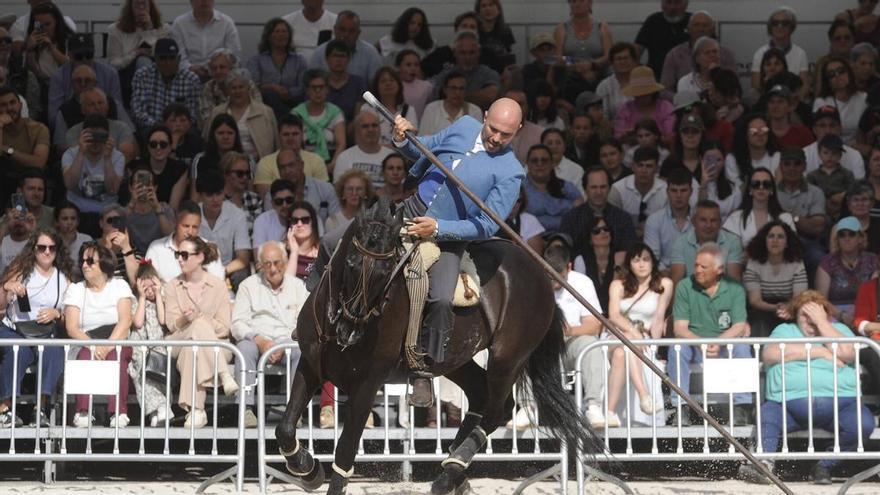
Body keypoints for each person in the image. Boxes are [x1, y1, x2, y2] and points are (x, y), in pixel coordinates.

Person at [738, 290, 874, 486]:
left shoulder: (839, 330)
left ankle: (825, 465)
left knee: (863, 424)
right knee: (767, 416)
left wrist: (822, 323)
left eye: (816, 314)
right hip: (787, 405)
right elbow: (770, 354)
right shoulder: (785, 330)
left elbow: (848, 353)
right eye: (805, 315)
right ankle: (763, 465)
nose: (810, 320)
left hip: (841, 404)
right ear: (795, 315)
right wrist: (820, 351)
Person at [668, 242, 752, 425]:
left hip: (724, 345)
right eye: (696, 265)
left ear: (719, 269)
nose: (697, 270)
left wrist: (718, 342)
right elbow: (679, 328)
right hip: (694, 346)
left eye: (703, 267)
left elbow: (739, 325)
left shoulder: (735, 288)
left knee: (743, 347)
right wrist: (702, 344)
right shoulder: (684, 286)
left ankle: (741, 408)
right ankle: (680, 407)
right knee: (676, 347)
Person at [164, 236, 238, 428]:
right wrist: (187, 319)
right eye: (177, 254)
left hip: (216, 345)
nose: (180, 259)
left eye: (184, 255)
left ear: (200, 257)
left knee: (194, 349)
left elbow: (224, 327)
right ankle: (224, 374)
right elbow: (171, 325)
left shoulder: (218, 285)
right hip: (179, 341)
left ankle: (197, 410)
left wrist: (200, 319)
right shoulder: (172, 285)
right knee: (195, 327)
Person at [0, 228, 71, 427]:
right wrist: (6, 288)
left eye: (51, 248)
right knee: (18, 351)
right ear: (34, 249)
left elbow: (71, 315)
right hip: (14, 328)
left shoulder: (63, 277)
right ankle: (5, 408)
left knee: (54, 351)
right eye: (42, 247)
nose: (47, 252)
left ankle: (40, 408)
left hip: (45, 331)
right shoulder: (21, 270)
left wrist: (57, 313)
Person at [233, 240, 308, 427]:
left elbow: (304, 323)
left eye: (277, 263)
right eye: (267, 264)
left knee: (299, 351)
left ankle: (294, 411)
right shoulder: (248, 286)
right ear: (260, 265)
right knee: (244, 349)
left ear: (285, 261)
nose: (273, 268)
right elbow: (237, 323)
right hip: (257, 338)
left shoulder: (299, 287)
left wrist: (283, 344)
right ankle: (246, 409)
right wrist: (259, 340)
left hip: (288, 339)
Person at [64, 242, 134, 428]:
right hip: (85, 339)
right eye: (83, 261)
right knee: (85, 356)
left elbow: (125, 321)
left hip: (115, 337)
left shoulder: (119, 285)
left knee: (116, 356)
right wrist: (95, 346)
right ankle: (83, 411)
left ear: (104, 263)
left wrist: (108, 345)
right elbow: (72, 328)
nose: (84, 265)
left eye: (90, 261)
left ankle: (118, 412)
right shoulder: (76, 289)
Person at [606, 244, 672, 425]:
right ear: (630, 264)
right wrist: (634, 334)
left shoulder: (664, 284)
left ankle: (610, 412)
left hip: (644, 338)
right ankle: (644, 395)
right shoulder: (617, 284)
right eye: (636, 260)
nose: (641, 264)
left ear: (653, 262)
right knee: (626, 345)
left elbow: (659, 318)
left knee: (622, 354)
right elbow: (614, 316)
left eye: (645, 259)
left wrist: (657, 348)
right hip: (618, 334)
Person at [60, 114, 125, 237]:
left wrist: (107, 158)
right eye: (91, 137)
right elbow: (69, 184)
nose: (95, 142)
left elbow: (112, 190)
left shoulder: (117, 157)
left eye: (100, 137)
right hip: (77, 212)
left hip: (106, 212)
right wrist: (81, 152)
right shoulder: (71, 154)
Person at [46, 33, 124, 130]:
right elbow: (53, 118)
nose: (84, 60)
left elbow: (118, 111)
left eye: (89, 55)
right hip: (70, 125)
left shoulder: (110, 74)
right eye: (78, 56)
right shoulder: (58, 77)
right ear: (69, 55)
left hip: (106, 126)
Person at [743, 221, 807, 338]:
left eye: (780, 237)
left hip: (790, 305)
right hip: (762, 307)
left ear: (787, 242)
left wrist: (789, 308)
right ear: (765, 240)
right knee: (759, 320)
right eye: (771, 236)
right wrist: (776, 308)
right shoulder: (754, 263)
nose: (775, 240)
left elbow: (800, 297)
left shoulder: (797, 263)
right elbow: (755, 300)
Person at [561, 166, 636, 264]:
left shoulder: (623, 218)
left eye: (603, 187)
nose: (599, 192)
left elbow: (629, 252)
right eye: (594, 187)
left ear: (609, 188)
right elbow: (565, 254)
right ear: (585, 189)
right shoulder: (570, 219)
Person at [204, 68, 278, 162]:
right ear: (228, 91)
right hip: (221, 164)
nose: (237, 91)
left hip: (259, 165)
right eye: (233, 88)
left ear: (248, 89)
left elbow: (277, 144)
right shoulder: (217, 112)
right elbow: (208, 140)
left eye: (241, 87)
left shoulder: (265, 112)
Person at [128, 260, 169, 427]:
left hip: (157, 346)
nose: (150, 291)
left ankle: (161, 408)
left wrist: (158, 295)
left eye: (153, 287)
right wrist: (142, 297)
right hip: (139, 347)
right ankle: (156, 411)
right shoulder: (136, 302)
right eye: (146, 288)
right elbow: (137, 323)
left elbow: (162, 319)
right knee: (140, 374)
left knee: (157, 372)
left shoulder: (162, 299)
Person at [816, 216, 878, 327]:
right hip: (834, 315)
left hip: (867, 312)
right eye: (842, 235)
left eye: (851, 234)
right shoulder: (827, 262)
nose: (847, 238)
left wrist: (859, 314)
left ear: (860, 238)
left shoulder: (872, 260)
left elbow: (875, 293)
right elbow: (821, 299)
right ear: (837, 239)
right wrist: (842, 316)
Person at [144, 200, 225, 282]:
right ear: (175, 222)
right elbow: (148, 282)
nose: (190, 232)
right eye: (186, 226)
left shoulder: (209, 248)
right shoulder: (156, 249)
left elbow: (218, 282)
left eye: (195, 227)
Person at [131, 38, 201, 131]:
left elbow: (193, 115)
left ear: (179, 59)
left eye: (172, 58)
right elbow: (137, 112)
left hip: (182, 130)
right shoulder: (142, 76)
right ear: (155, 59)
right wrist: (159, 127)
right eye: (162, 58)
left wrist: (177, 127)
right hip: (151, 129)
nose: (168, 63)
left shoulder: (191, 79)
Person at [106, 0, 169, 103]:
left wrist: (149, 30)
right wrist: (135, 53)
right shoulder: (115, 30)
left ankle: (148, 101)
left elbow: (161, 56)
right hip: (126, 77)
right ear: (130, 7)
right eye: (137, 4)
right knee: (142, 60)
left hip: (156, 76)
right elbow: (113, 64)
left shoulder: (163, 29)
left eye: (144, 3)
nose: (141, 8)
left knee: (144, 60)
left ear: (150, 7)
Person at [253, 114, 328, 199]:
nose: (290, 138)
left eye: (295, 134)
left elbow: (323, 194)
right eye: (286, 134)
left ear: (302, 135)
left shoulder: (317, 160)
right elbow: (268, 199)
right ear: (278, 136)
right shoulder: (265, 163)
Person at [196, 172, 250, 289]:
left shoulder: (237, 215)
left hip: (227, 270)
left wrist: (220, 273)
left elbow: (243, 259)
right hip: (197, 269)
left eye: (219, 194)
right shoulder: (193, 214)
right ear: (200, 196)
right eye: (210, 195)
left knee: (242, 274)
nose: (215, 199)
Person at [660, 10, 736, 92]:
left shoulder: (726, 54)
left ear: (713, 29)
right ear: (688, 29)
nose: (701, 29)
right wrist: (683, 99)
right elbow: (665, 90)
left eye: (705, 25)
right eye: (696, 25)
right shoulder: (674, 55)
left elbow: (735, 87)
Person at [551, 0, 611, 102]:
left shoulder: (602, 27)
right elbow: (557, 58)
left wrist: (591, 65)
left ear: (590, 3)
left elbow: (609, 56)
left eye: (581, 0)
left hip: (598, 76)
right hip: (569, 79)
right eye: (573, 1)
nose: (577, 4)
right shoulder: (561, 29)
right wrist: (578, 66)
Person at [0, 86, 49, 211]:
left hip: (27, 180)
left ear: (20, 105)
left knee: (23, 186)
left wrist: (8, 150)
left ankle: (21, 217)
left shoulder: (38, 129)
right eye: (3, 105)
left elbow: (39, 163)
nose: (10, 108)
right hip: (4, 179)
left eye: (12, 103)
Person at [669, 200, 743, 283]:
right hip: (690, 294)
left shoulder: (733, 241)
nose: (708, 225)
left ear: (720, 223)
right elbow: (676, 281)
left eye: (713, 220)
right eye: (703, 220)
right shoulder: (680, 243)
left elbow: (734, 281)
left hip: (724, 294)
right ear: (693, 222)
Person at [58, 87, 137, 163]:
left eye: (100, 103)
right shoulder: (73, 132)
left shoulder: (121, 128)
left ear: (107, 106)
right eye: (92, 104)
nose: (97, 107)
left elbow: (126, 155)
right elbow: (75, 158)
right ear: (83, 110)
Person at [247, 18, 307, 118]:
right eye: (277, 31)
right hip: (265, 106)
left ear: (289, 36)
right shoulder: (256, 60)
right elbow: (253, 86)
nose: (281, 35)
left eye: (284, 31)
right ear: (269, 36)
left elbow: (303, 87)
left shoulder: (299, 60)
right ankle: (288, 118)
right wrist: (273, 87)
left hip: (293, 102)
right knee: (270, 95)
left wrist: (288, 93)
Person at [723, 167, 795, 250]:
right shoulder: (735, 218)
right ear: (750, 189)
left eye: (766, 184)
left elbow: (792, 248)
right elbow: (728, 251)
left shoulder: (785, 218)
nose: (761, 187)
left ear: (772, 189)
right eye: (756, 184)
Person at [23, 2, 73, 120]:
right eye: (39, 25)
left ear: (57, 22)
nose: (44, 29)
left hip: (63, 88)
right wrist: (29, 50)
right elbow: (32, 72)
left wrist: (52, 48)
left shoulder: (68, 40)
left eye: (48, 24)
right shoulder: (32, 40)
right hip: (40, 90)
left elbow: (71, 65)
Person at [170, 0, 241, 81]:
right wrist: (190, 68)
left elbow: (234, 56)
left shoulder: (227, 23)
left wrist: (214, 69)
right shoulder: (179, 24)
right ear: (191, 1)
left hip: (220, 76)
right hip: (188, 77)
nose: (204, 1)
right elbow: (178, 57)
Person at [291, 69, 345, 174]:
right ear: (307, 90)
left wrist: (332, 165)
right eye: (314, 88)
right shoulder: (297, 113)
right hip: (303, 164)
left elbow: (341, 144)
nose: (318, 91)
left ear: (327, 90)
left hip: (331, 163)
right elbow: (292, 144)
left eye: (321, 87)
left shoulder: (335, 112)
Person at [750, 7, 810, 98]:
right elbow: (756, 87)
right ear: (770, 27)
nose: (780, 26)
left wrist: (789, 104)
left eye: (785, 23)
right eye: (775, 23)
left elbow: (804, 88)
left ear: (792, 27)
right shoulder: (759, 53)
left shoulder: (800, 53)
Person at [308, 10, 382, 83]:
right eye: (342, 30)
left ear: (358, 33)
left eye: (351, 31)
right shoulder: (319, 53)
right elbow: (310, 84)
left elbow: (376, 86)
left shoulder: (371, 53)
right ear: (335, 30)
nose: (346, 35)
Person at [609, 147, 667, 236]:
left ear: (656, 168)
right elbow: (613, 224)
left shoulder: (666, 190)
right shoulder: (618, 189)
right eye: (640, 165)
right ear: (633, 167)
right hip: (624, 238)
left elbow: (668, 226)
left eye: (649, 166)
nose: (644, 171)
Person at [269, 149, 338, 225]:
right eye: (282, 167)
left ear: (302, 165)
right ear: (278, 171)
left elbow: (336, 224)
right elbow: (271, 224)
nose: (287, 171)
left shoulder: (325, 189)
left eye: (291, 165)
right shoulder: (272, 196)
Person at [644, 167, 693, 274]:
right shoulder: (654, 220)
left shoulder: (700, 219)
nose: (679, 195)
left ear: (691, 191)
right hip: (663, 276)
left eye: (683, 190)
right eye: (674, 190)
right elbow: (652, 257)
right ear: (667, 192)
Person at [197, 49, 262, 130]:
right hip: (219, 132)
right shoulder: (208, 88)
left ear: (232, 68)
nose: (218, 71)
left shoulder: (247, 84)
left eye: (222, 67)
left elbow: (259, 111)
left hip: (249, 127)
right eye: (214, 68)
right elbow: (207, 120)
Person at [523, 144, 582, 231]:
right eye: (534, 160)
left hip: (566, 236)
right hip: (530, 239)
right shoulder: (520, 190)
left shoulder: (566, 186)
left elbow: (580, 210)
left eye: (544, 160)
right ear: (527, 164)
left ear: (552, 163)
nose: (539, 164)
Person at [572, 214, 620, 313]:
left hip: (617, 310)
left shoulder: (620, 257)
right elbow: (580, 291)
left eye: (606, 229)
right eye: (596, 231)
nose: (603, 232)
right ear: (589, 237)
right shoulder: (581, 260)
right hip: (589, 311)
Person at [360, 67, 419, 146]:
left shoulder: (409, 109)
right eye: (383, 81)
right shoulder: (367, 109)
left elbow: (413, 136)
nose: (388, 84)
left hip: (401, 156)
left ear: (398, 84)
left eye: (391, 80)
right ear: (376, 86)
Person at [814, 57, 867, 146]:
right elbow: (819, 133)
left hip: (858, 147)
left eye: (841, 71)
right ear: (827, 81)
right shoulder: (821, 102)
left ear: (849, 73)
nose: (837, 76)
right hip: (830, 148)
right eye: (831, 74)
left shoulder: (864, 98)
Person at [614, 66, 675, 143]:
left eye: (646, 93)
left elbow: (670, 135)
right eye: (639, 93)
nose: (642, 96)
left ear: (653, 92)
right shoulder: (625, 109)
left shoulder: (665, 107)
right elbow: (618, 136)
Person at [122, 166, 175, 254]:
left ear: (155, 188)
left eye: (147, 183)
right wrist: (131, 204)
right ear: (130, 188)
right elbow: (116, 232)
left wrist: (157, 209)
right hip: (132, 257)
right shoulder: (124, 212)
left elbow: (172, 237)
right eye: (138, 183)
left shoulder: (165, 209)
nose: (143, 187)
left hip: (159, 257)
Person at [334, 111, 393, 186]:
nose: (370, 129)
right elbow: (339, 189)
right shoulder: (344, 157)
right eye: (365, 126)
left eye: (374, 125)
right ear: (357, 130)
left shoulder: (391, 156)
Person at [190, 113, 246, 193]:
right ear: (213, 135)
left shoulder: (246, 159)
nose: (225, 137)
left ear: (236, 135)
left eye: (230, 133)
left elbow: (250, 191)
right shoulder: (200, 159)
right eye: (220, 133)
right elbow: (194, 195)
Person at [419, 70, 482, 137]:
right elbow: (422, 139)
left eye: (461, 89)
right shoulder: (431, 109)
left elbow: (476, 142)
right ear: (445, 90)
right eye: (453, 88)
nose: (457, 92)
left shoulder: (475, 111)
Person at [807, 135, 856, 221]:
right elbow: (808, 194)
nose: (829, 157)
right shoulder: (812, 175)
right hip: (820, 213)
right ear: (819, 154)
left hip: (843, 211)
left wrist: (843, 195)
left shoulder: (847, 174)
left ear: (840, 155)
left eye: (834, 153)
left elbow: (854, 191)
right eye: (825, 153)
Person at [142, 124, 188, 211]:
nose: (158, 148)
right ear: (148, 147)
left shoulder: (179, 169)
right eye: (153, 144)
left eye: (163, 144)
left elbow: (173, 207)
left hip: (167, 216)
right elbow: (141, 202)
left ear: (170, 147)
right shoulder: (139, 167)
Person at [724, 114, 779, 188]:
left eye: (764, 129)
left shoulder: (777, 157)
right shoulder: (732, 159)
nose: (760, 134)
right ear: (745, 134)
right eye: (753, 131)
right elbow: (736, 191)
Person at [221, 151, 262, 236]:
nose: (245, 177)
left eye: (247, 173)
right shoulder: (216, 200)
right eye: (240, 173)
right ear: (226, 174)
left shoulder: (254, 199)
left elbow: (259, 232)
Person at [0, 171, 52, 238]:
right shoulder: (9, 219)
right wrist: (5, 227)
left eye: (40, 189)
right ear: (19, 191)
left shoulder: (55, 215)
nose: (36, 194)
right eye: (31, 189)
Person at [253, 179, 297, 253]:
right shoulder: (262, 221)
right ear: (273, 204)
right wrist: (284, 245)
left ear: (295, 200)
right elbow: (258, 258)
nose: (284, 205)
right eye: (279, 202)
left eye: (289, 200)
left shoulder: (307, 218)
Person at [595, 42, 637, 121]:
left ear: (634, 61)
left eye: (626, 58)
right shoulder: (604, 86)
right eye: (618, 59)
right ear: (612, 63)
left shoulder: (643, 81)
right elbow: (603, 115)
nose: (622, 62)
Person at [765, 84, 814, 150]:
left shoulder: (803, 134)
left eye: (780, 102)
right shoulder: (762, 132)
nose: (775, 106)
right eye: (772, 102)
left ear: (790, 107)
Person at [284, 201, 321, 281]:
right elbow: (287, 285)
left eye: (305, 220)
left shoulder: (322, 251)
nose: (299, 224)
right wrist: (294, 252)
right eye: (295, 220)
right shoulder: (281, 251)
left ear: (313, 223)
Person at [542, 127, 583, 196]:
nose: (554, 147)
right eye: (549, 143)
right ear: (542, 146)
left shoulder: (577, 170)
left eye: (558, 143)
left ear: (564, 146)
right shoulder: (532, 167)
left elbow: (581, 198)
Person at [163, 103, 203, 171]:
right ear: (164, 123)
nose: (178, 124)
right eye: (173, 120)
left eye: (183, 120)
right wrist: (174, 144)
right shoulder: (159, 142)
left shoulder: (197, 142)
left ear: (190, 124)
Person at [396, 49, 433, 121]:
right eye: (408, 65)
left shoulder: (427, 87)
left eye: (416, 65)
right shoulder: (394, 86)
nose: (413, 68)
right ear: (398, 66)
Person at [54, 202, 91, 269]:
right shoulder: (51, 241)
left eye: (73, 218)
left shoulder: (86, 239)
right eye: (65, 219)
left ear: (78, 221)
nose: (69, 222)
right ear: (57, 222)